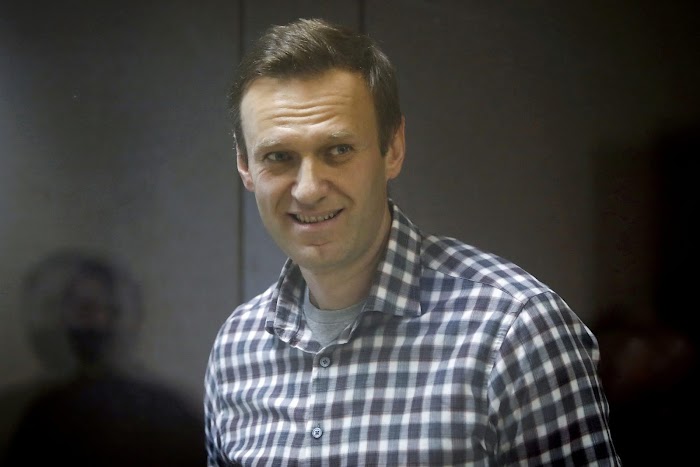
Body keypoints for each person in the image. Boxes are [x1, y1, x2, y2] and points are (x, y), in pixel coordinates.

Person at [204, 18, 621, 466]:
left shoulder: (515, 331)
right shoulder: (235, 350)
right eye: (279, 157)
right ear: (245, 166)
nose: (308, 189)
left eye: (338, 150)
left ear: (394, 149)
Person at [3, 250, 205, 467]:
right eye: (84, 310)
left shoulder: (169, 412)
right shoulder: (31, 412)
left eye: (111, 310)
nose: (98, 321)